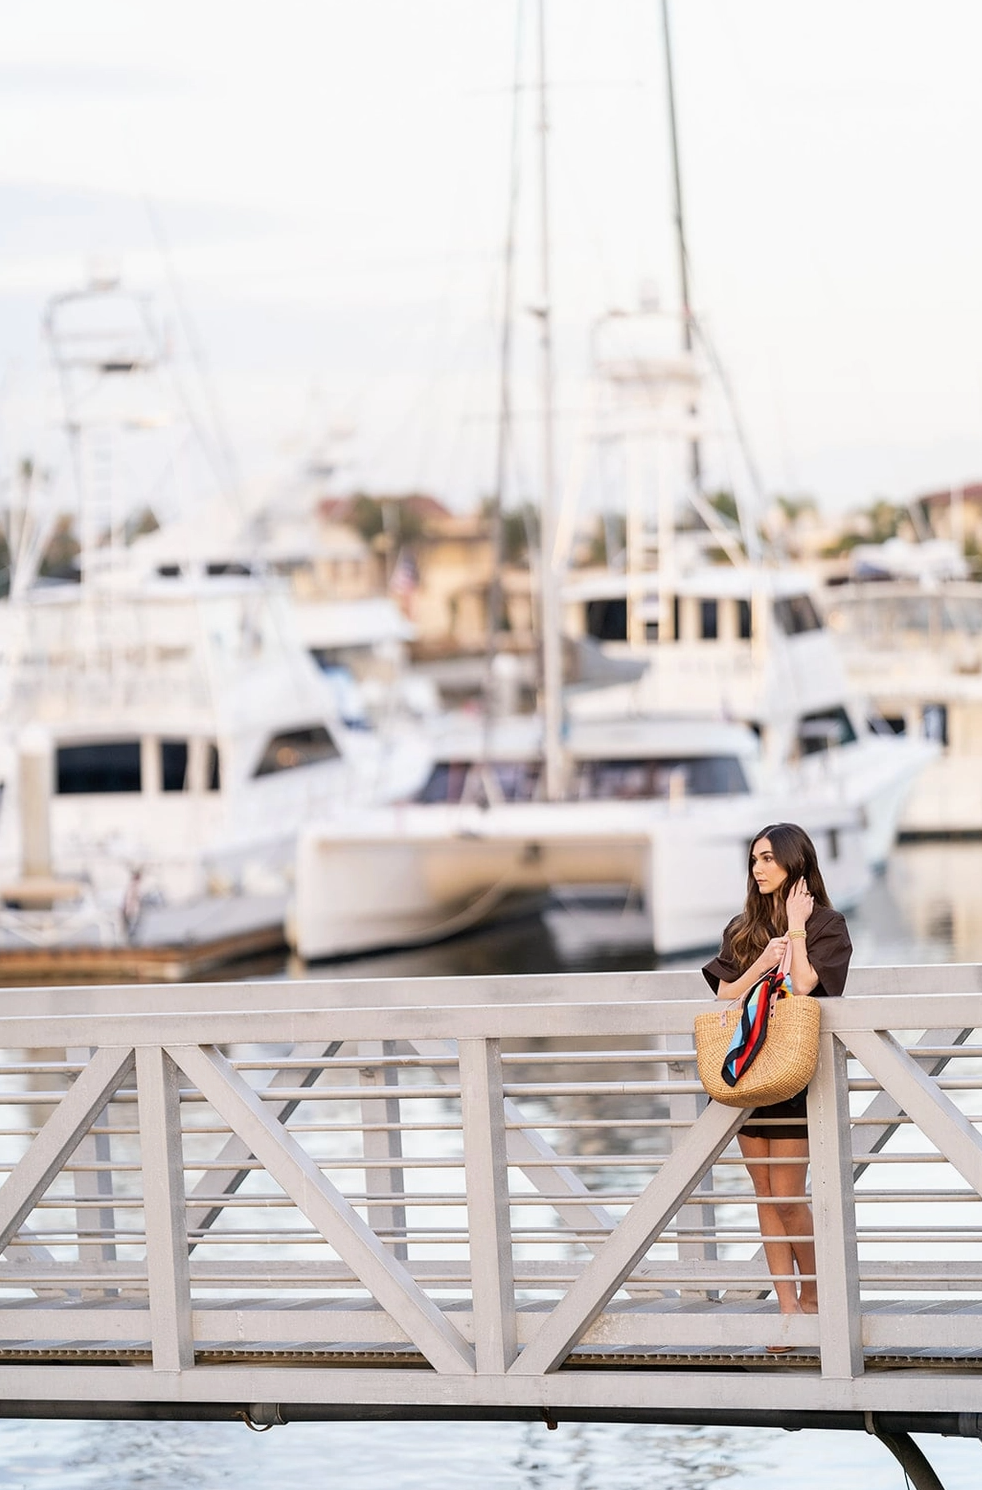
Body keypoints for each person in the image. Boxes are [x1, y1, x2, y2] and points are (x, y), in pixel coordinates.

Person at [701, 822, 852, 1349]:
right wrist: (763, 959)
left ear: (795, 862)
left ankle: (816, 1297)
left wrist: (796, 929)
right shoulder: (743, 928)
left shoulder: (828, 924)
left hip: (793, 1073)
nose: (759, 868)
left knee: (788, 1192)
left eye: (767, 859)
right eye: (754, 860)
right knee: (764, 1193)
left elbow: (807, 984)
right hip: (746, 1069)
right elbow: (726, 994)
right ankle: (787, 1310)